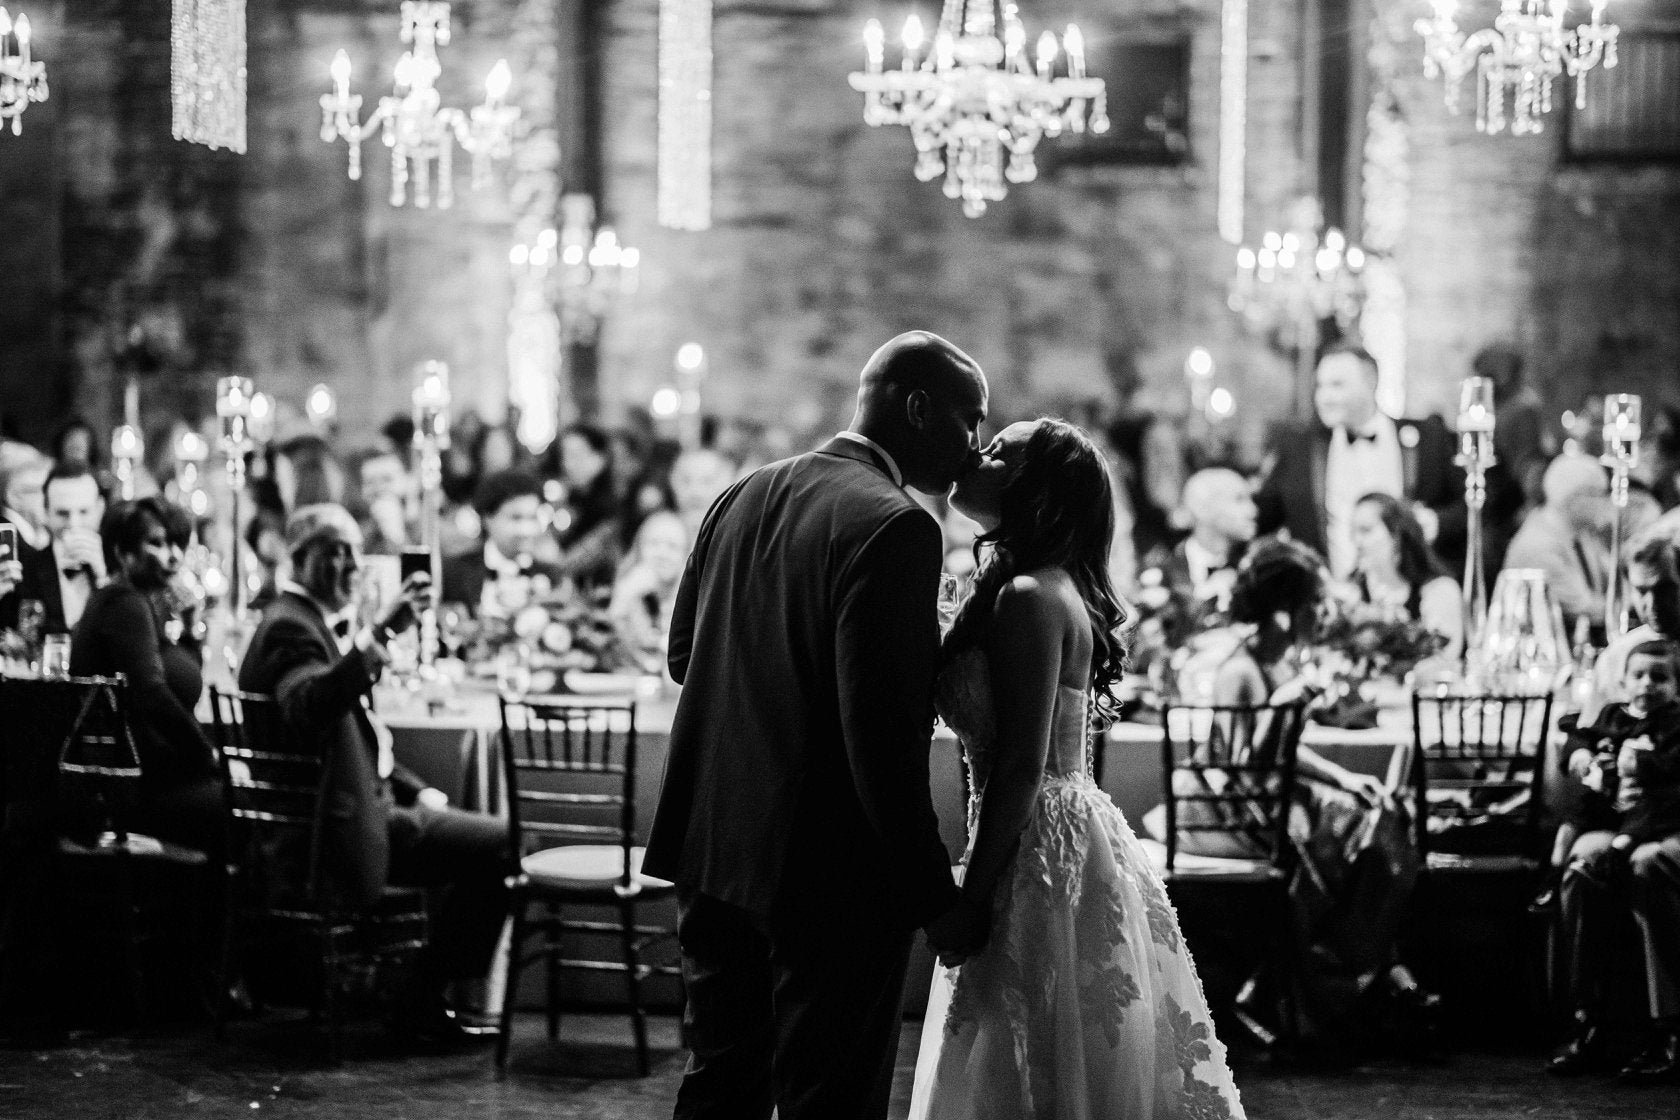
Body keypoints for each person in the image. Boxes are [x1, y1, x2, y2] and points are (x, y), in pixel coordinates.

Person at [645, 331, 988, 1120]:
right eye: (970, 421)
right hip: (827, 873)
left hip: (716, 844)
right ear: (916, 408)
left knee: (720, 1084)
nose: (974, 446)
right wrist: (934, 895)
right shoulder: (897, 525)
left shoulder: (743, 493)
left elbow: (682, 656)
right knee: (826, 1099)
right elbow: (882, 739)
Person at [908, 419, 1245, 1120]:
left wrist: (972, 896)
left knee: (1034, 1040)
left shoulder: (1031, 596)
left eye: (1001, 451)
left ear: (1037, 490)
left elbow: (1023, 765)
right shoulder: (1024, 585)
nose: (979, 453)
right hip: (1044, 824)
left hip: (1036, 836)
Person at [238, 504, 509, 1042]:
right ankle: (419, 996)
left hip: (366, 803)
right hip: (336, 828)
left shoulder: (309, 623)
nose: (346, 565)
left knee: (480, 830)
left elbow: (359, 742)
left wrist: (418, 789)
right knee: (508, 844)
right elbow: (311, 704)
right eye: (330, 553)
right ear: (296, 560)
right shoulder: (289, 629)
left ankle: (412, 992)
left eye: (352, 552)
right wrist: (380, 632)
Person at [1205, 537, 1433, 1052]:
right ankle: (1352, 986)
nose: (1323, 613)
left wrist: (1344, 778)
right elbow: (1243, 768)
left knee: (1384, 818)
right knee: (1362, 842)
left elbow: (1289, 754)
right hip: (1253, 814)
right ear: (1286, 612)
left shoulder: (1283, 664)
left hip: (1287, 800)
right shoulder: (1240, 671)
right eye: (1315, 603)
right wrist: (1282, 711)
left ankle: (1359, 977)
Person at [1551, 638, 1680, 1081]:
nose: (1647, 685)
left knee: (1650, 864)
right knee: (1583, 863)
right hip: (1621, 817)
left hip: (1666, 819)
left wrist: (1647, 769)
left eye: (1659, 678)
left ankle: (1668, 1029)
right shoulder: (1618, 708)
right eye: (1638, 677)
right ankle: (1587, 1017)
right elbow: (1579, 732)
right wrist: (1585, 757)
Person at [68, 497, 223, 854]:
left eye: (178, 544)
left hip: (149, 777)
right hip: (136, 789)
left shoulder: (135, 603)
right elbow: (151, 696)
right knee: (244, 809)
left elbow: (182, 681)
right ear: (123, 552)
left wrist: (187, 628)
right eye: (157, 543)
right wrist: (208, 759)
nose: (173, 556)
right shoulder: (124, 603)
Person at [1256, 343, 1472, 579]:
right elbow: (1261, 516)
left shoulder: (1428, 439)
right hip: (1329, 598)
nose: (1324, 397)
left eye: (1337, 385)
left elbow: (1472, 507)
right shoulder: (1298, 448)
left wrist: (1437, 522)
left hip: (1411, 594)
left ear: (1371, 383)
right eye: (1319, 386)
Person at [1502, 453, 1613, 644]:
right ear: (1574, 498)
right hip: (1547, 652)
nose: (1605, 503)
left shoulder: (1581, 534)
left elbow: (1613, 577)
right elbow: (1588, 610)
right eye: (1598, 494)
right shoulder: (1539, 546)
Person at [1349, 492, 1464, 660]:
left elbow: (1443, 659)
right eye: (1353, 532)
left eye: (1366, 530)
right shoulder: (1354, 592)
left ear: (1396, 535)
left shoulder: (1439, 590)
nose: (1357, 541)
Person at [440, 469, 565, 621]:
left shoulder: (552, 575)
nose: (526, 530)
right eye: (516, 518)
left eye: (533, 518)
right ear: (488, 518)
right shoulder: (454, 572)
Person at [8, 463, 108, 634]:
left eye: (83, 512)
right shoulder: (25, 572)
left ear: (99, 510)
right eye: (63, 513)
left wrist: (103, 581)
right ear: (45, 513)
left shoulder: (121, 565)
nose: (73, 524)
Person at [1145, 467, 1257, 609]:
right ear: (1202, 508)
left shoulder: (1261, 563)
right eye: (1239, 499)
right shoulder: (1162, 574)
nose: (1253, 511)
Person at [608, 509, 689, 672]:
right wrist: (626, 596)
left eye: (672, 547)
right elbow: (614, 642)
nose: (662, 553)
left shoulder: (692, 598)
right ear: (639, 548)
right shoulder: (630, 589)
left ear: (686, 555)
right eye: (653, 543)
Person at [552, 423, 624, 588]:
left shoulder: (610, 511)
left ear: (601, 458)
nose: (567, 464)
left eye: (576, 455)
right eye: (564, 456)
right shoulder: (566, 499)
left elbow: (569, 563)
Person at [355, 447, 417, 556]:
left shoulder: (427, 528)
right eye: (370, 482)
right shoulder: (355, 536)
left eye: (386, 479)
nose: (378, 489)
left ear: (406, 481)